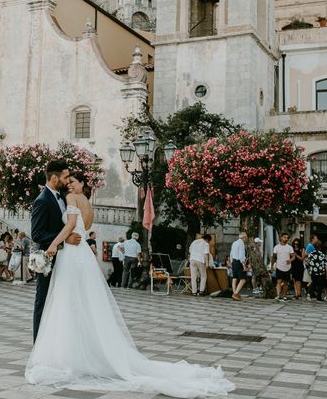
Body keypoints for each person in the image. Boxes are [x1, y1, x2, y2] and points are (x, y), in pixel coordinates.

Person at [26, 172, 234, 396]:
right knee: (85, 301)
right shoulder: (88, 202)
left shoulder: (70, 199)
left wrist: (54, 244)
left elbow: (71, 226)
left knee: (67, 300)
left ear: (82, 183)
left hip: (71, 253)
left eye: (72, 181)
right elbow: (84, 228)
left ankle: (69, 354)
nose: (68, 184)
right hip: (83, 254)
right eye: (67, 180)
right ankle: (84, 350)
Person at [31, 160, 81, 342]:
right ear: (54, 178)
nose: (68, 180)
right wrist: (64, 239)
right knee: (43, 302)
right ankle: (38, 344)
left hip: (64, 258)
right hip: (49, 259)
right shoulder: (42, 201)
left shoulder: (61, 196)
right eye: (66, 176)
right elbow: (37, 234)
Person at [271, 233, 294, 303]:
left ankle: (284, 295)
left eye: (287, 238)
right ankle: (278, 295)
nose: (286, 239)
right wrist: (272, 266)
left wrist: (290, 260)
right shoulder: (276, 247)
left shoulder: (289, 247)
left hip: (287, 267)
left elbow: (293, 256)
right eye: (284, 237)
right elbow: (273, 257)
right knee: (278, 281)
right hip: (279, 266)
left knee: (286, 283)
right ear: (281, 238)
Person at [230, 233, 248, 301]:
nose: (247, 239)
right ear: (244, 237)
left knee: (235, 278)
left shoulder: (234, 243)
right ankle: (236, 294)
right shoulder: (241, 244)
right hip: (239, 262)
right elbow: (241, 256)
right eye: (246, 238)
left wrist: (232, 262)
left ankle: (234, 293)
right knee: (243, 280)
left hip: (234, 262)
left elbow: (231, 253)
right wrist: (244, 266)